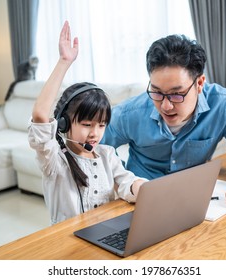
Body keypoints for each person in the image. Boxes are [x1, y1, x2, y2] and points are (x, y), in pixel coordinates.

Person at [101, 34, 226, 209]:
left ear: (200, 83)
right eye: (156, 92)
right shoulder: (129, 113)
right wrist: (126, 182)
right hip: (139, 204)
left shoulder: (224, 105)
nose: (166, 106)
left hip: (195, 203)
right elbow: (95, 150)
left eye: (176, 94)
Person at [28, 21, 146, 224]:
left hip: (106, 232)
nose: (95, 133)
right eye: (87, 124)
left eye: (101, 125)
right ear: (64, 123)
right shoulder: (54, 160)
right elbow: (40, 115)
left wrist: (143, 188)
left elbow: (126, 182)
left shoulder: (106, 154)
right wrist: (64, 61)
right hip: (68, 241)